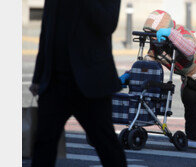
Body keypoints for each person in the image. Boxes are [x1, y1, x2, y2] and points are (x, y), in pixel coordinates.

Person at [120, 10, 196, 150]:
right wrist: (129, 76)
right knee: (192, 98)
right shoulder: (156, 46)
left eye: (154, 32)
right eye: (149, 33)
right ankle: (193, 138)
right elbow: (147, 65)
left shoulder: (183, 35)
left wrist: (171, 34)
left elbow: (189, 51)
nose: (152, 38)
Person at [29, 0, 127, 166]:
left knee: (107, 146)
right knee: (43, 146)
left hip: (91, 83)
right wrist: (38, 77)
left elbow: (108, 24)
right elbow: (46, 30)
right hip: (55, 82)